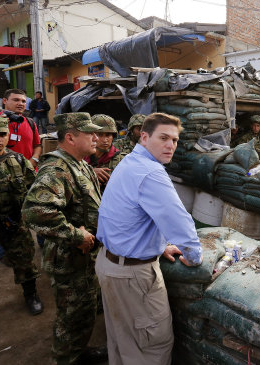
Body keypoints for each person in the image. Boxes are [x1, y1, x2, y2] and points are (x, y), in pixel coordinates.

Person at [95, 112, 203, 364]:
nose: (170, 146)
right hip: (134, 276)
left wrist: (161, 245)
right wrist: (194, 257)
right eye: (163, 138)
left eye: (175, 140)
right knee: (153, 346)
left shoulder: (129, 162)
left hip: (109, 263)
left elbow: (133, 217)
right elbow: (181, 224)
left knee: (123, 340)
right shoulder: (151, 173)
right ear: (144, 137)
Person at [22, 112, 107, 365]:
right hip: (70, 260)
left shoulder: (79, 163)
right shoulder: (57, 169)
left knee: (83, 313)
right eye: (90, 133)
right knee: (72, 317)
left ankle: (78, 352)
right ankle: (65, 358)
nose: (97, 137)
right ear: (70, 137)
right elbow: (34, 211)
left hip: (84, 259)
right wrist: (74, 234)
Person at [0, 116, 43, 315]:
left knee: (25, 262)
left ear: (8, 137)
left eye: (1, 134)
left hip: (14, 222)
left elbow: (34, 189)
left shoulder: (18, 160)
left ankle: (30, 295)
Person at [1, 89, 42, 169]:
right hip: (5, 174)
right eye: (16, 100)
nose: (20, 104)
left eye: (23, 101)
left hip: (28, 172)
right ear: (5, 101)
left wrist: (34, 159)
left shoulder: (30, 122)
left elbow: (37, 145)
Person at [84, 114, 124, 192]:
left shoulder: (122, 161)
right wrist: (90, 173)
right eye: (100, 135)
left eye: (108, 135)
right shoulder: (81, 158)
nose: (105, 140)